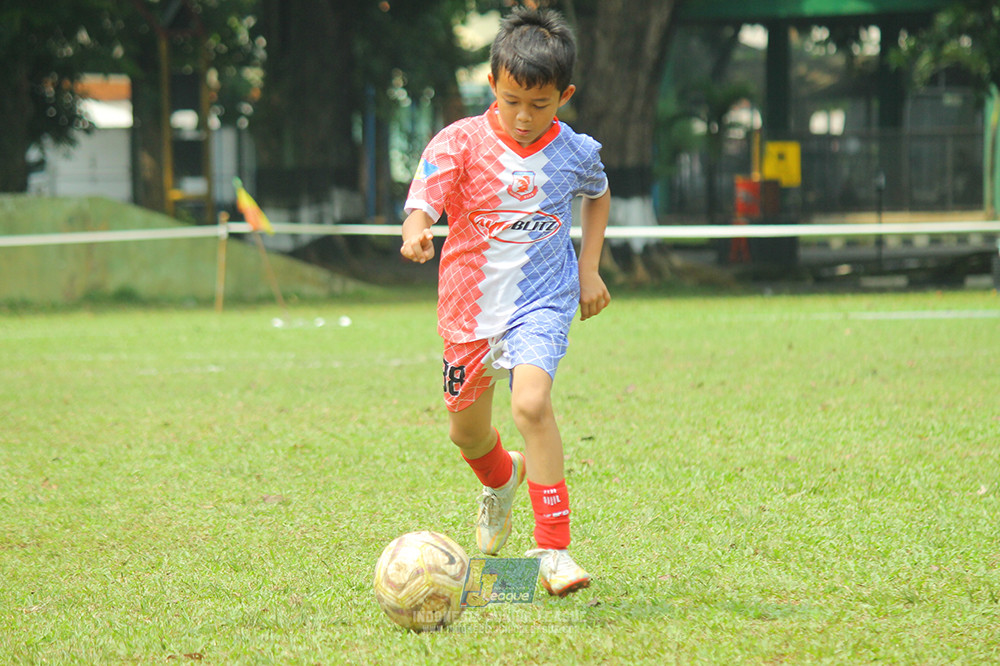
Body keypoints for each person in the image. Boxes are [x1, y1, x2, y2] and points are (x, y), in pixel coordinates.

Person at [399, 6, 610, 597]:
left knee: (532, 406)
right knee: (466, 435)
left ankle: (554, 551)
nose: (523, 117)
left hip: (541, 303)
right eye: (513, 100)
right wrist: (417, 228)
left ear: (563, 96)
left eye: (539, 105)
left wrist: (588, 269)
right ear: (493, 83)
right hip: (469, 308)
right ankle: (502, 477)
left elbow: (598, 194)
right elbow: (426, 197)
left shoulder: (574, 150)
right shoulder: (459, 141)